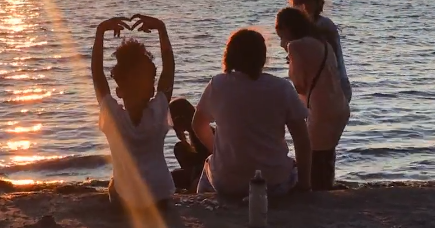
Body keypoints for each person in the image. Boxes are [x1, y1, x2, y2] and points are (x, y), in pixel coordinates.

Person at [192, 29, 312, 196]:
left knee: (208, 169)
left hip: (227, 183)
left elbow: (198, 124)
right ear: (262, 57)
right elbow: (302, 139)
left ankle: (202, 206)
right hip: (272, 182)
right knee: (291, 169)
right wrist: (305, 184)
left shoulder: (218, 84)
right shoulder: (282, 88)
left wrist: (218, 152)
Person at [91, 14, 175, 211]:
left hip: (126, 203)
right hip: (160, 197)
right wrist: (161, 29)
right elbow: (169, 70)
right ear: (152, 90)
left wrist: (100, 32)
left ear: (119, 91)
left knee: (114, 185)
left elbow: (97, 75)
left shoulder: (112, 116)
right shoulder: (158, 110)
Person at [276, 7, 350, 190]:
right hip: (339, 107)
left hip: (321, 111)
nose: (281, 42)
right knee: (326, 156)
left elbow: (299, 85)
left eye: (280, 35)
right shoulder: (323, 42)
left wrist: (290, 55)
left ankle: (318, 195)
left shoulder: (295, 46)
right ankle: (328, 189)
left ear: (286, 28)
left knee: (314, 159)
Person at [288, 0, 352, 103]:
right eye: (296, 4)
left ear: (317, 3)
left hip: (334, 87)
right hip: (317, 88)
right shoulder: (302, 28)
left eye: (306, 2)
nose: (302, 7)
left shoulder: (323, 26)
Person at [169, 97, 212, 191]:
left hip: (207, 172)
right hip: (199, 172)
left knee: (174, 176)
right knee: (179, 148)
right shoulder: (192, 136)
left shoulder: (201, 133)